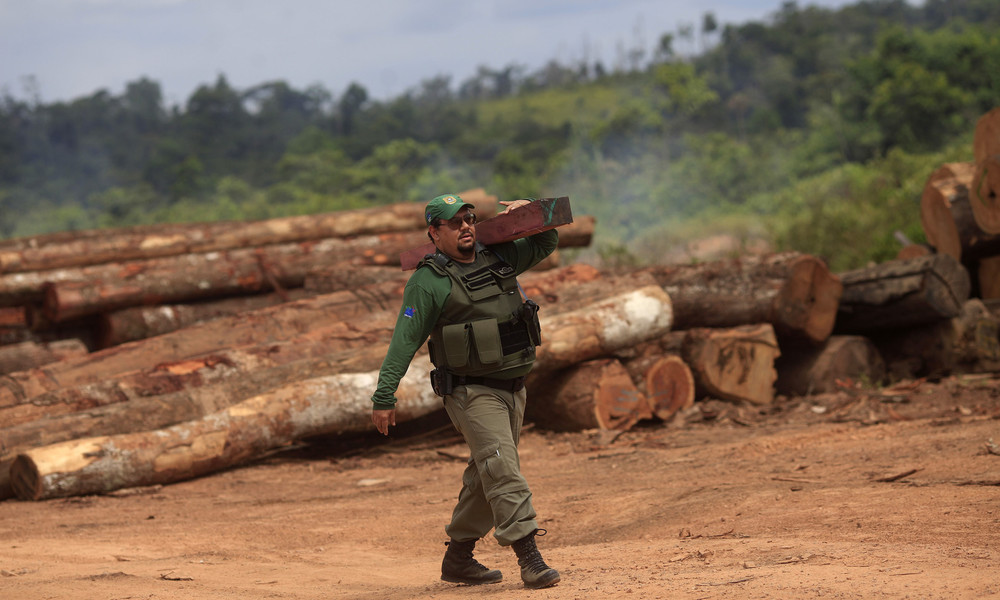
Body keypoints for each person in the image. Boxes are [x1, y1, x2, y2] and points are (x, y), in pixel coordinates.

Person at [370, 193, 561, 589]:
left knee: (486, 471)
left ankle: (458, 558)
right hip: (471, 391)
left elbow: (546, 242)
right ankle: (529, 557)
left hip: (513, 386)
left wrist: (529, 215)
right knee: (502, 467)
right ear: (434, 233)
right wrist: (384, 397)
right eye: (454, 223)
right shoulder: (428, 282)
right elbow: (403, 341)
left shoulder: (497, 256)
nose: (466, 227)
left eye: (469, 218)